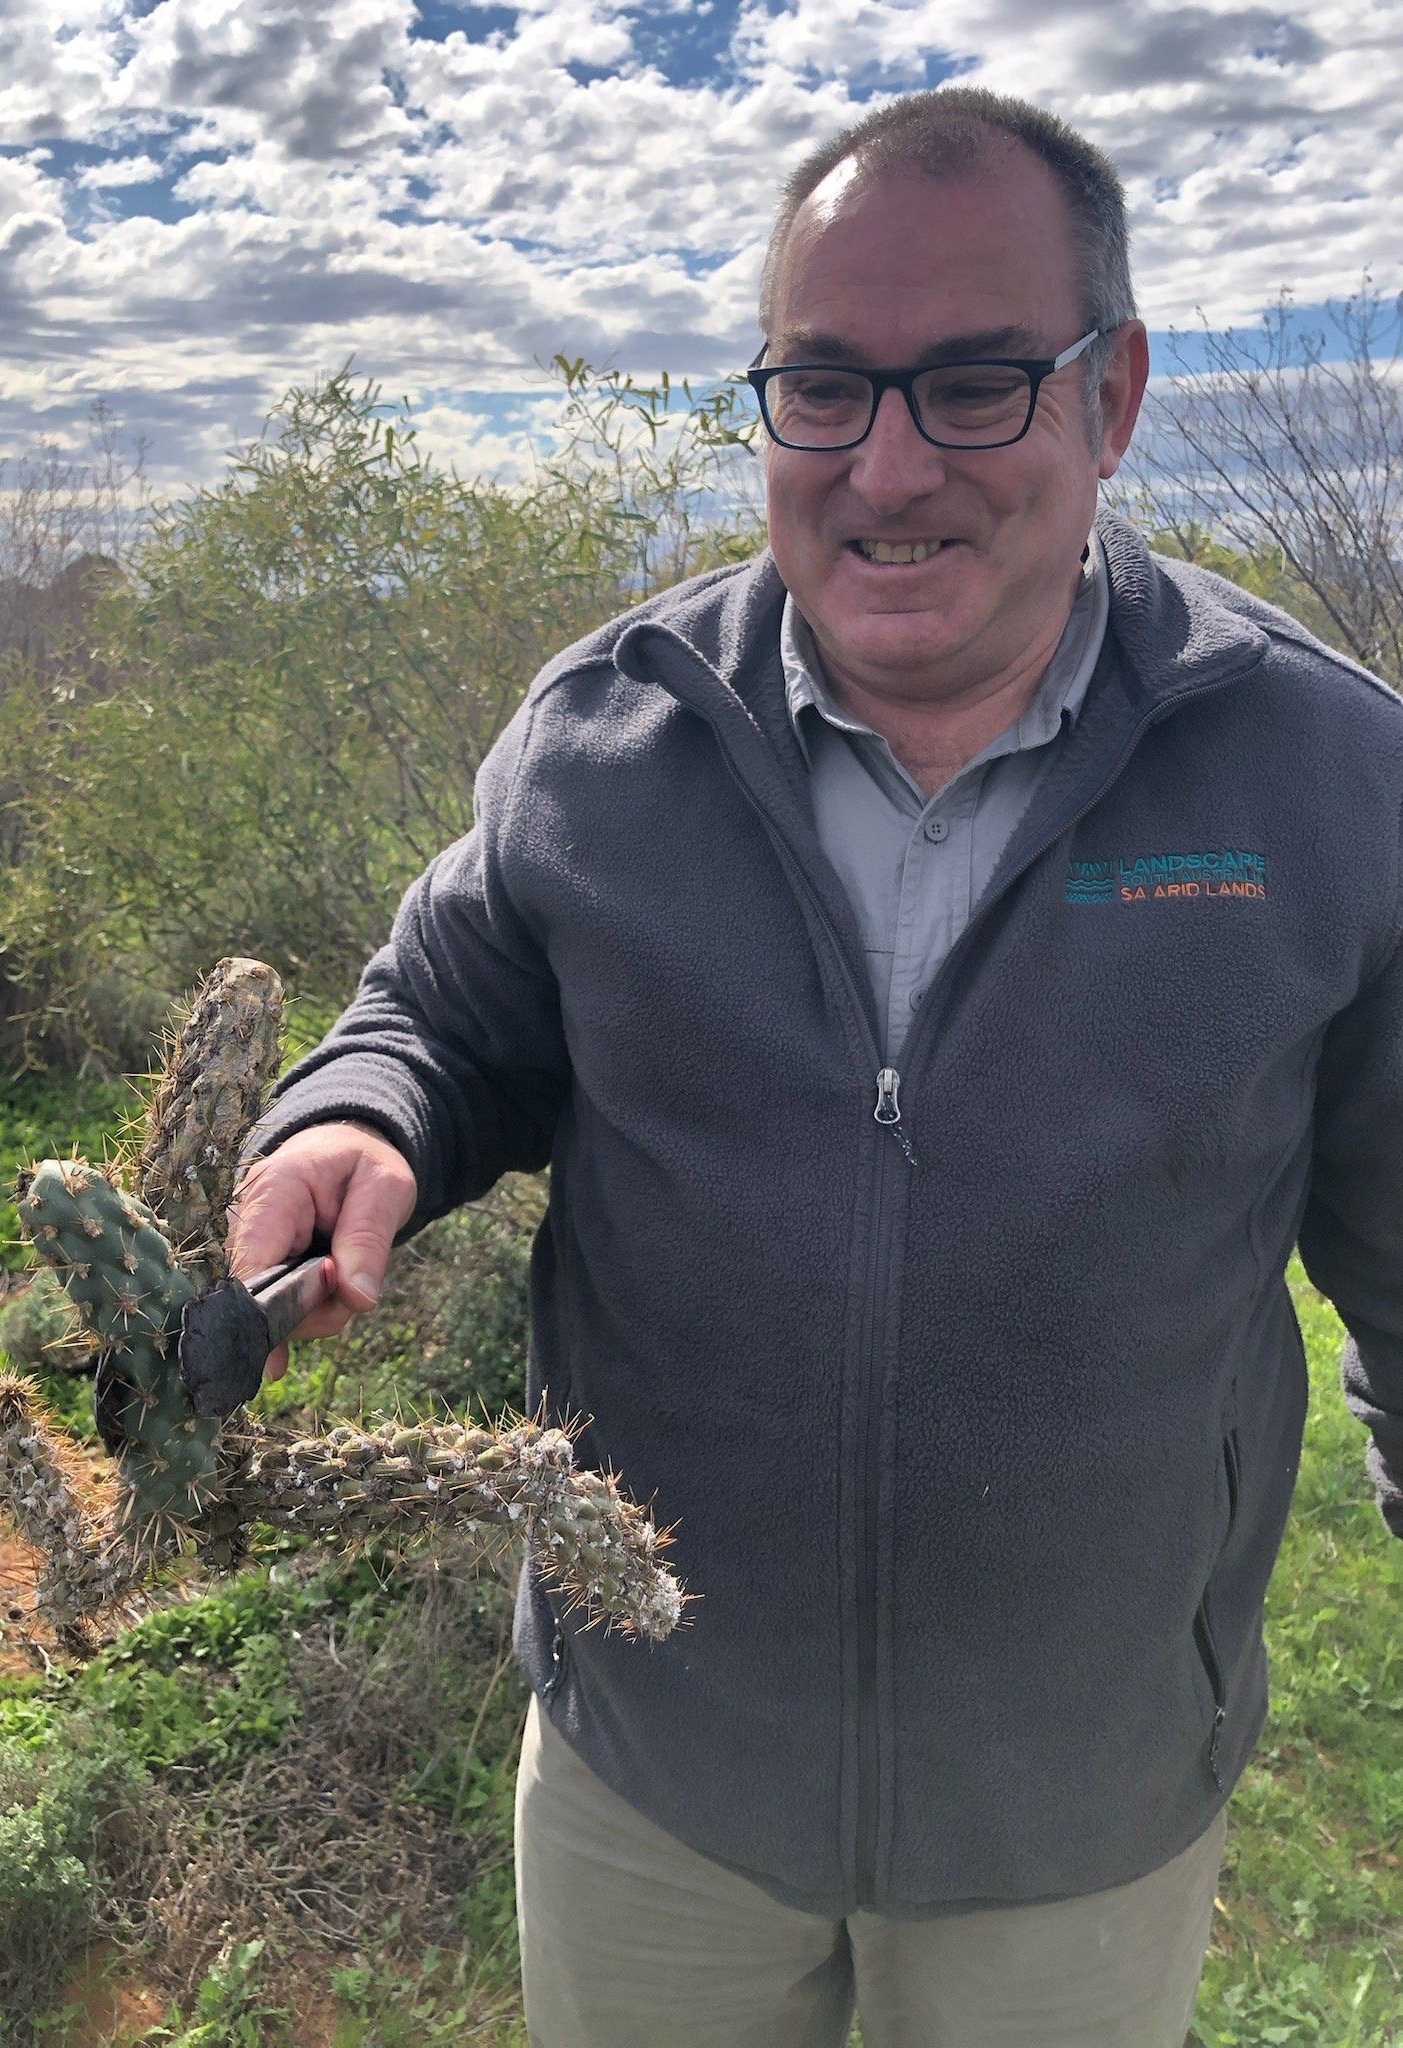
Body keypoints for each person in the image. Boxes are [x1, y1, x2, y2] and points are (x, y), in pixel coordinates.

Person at [229, 85, 1403, 2048]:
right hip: (653, 1779)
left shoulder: (1325, 777)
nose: (885, 467)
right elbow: (443, 1007)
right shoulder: (602, 745)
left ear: (1113, 397)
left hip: (1081, 1814)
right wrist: (357, 1115)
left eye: (972, 384)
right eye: (825, 386)